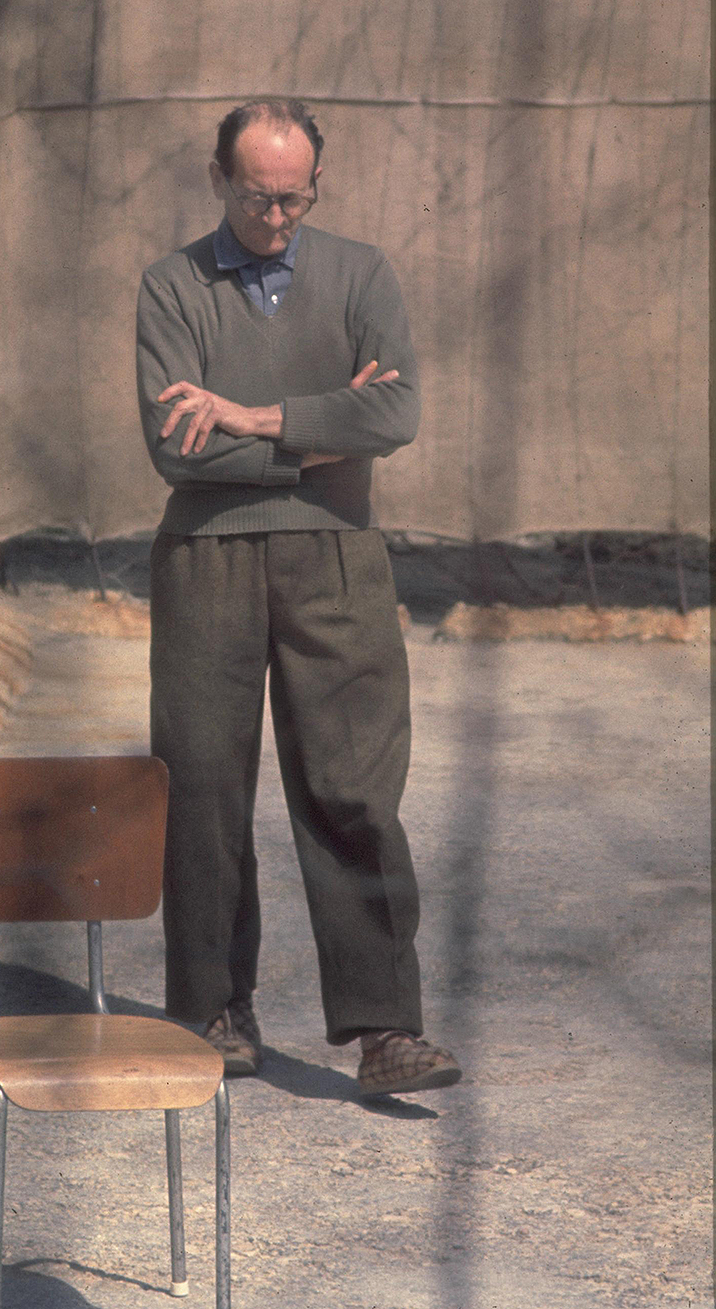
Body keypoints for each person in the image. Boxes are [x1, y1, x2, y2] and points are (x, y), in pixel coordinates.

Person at [136, 97, 460, 1098]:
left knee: (351, 784)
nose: (275, 216)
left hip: (336, 561)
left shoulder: (359, 273)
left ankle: (384, 1029)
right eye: (256, 194)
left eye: (293, 196)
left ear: (313, 184)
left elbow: (396, 410)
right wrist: (327, 433)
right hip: (206, 563)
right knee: (199, 783)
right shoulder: (171, 286)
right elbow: (172, 446)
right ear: (217, 177)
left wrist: (248, 413)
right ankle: (212, 1009)